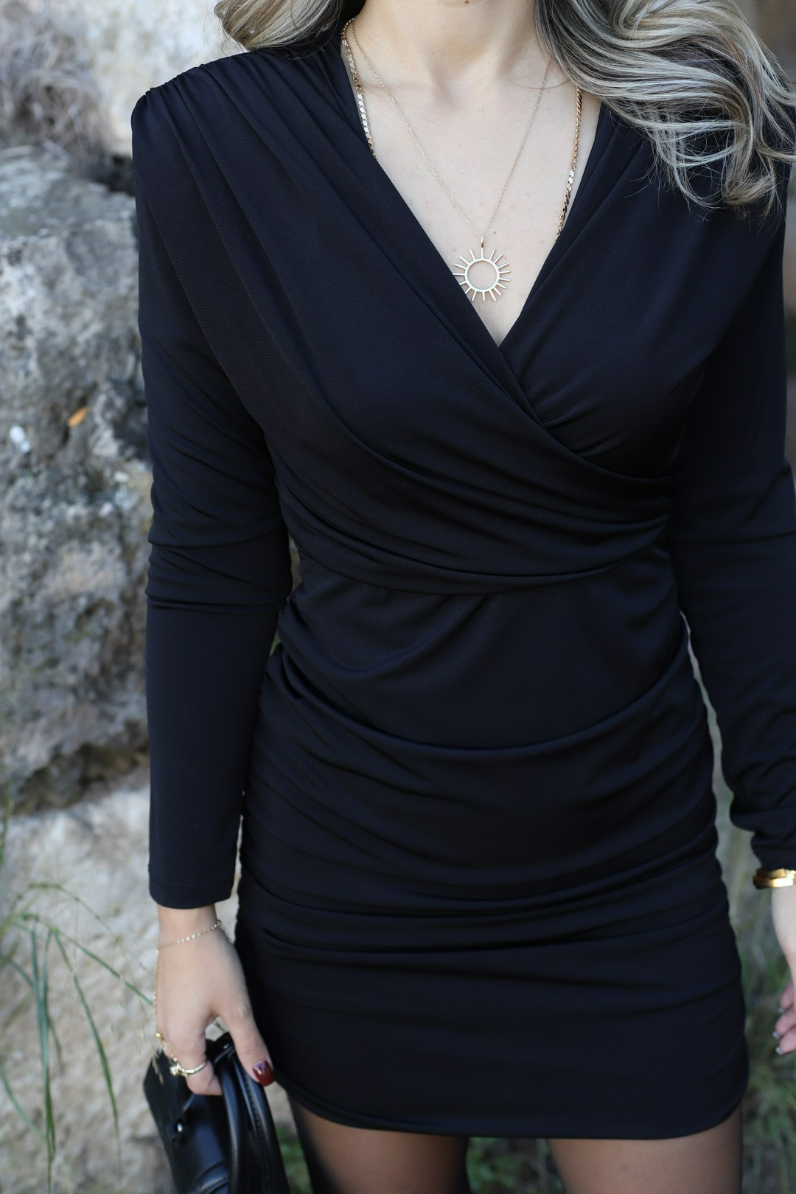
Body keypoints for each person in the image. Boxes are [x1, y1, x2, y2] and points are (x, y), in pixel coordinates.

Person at [132, 0, 796, 1190]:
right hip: (354, 885)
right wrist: (188, 921)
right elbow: (211, 560)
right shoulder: (211, 142)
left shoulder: (705, 125)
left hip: (629, 877)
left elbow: (739, 526)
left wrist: (794, 858)